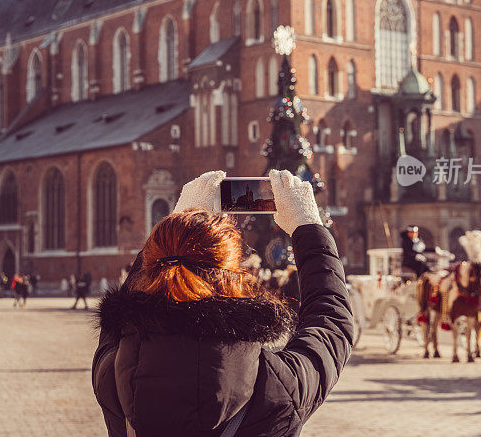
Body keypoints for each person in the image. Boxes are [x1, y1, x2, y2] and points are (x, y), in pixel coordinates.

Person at [93, 170, 354, 435]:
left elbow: (122, 316)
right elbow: (331, 324)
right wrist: (308, 226)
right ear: (234, 275)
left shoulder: (112, 376)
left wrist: (176, 226)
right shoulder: (276, 386)